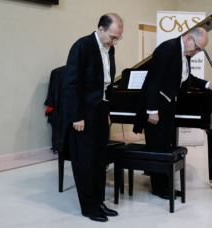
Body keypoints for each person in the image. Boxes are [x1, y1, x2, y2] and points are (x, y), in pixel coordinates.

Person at [133, 27, 212, 199]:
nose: (197, 52)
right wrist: (152, 110)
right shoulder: (167, 49)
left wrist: (208, 84)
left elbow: (187, 78)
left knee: (166, 145)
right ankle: (159, 189)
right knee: (157, 147)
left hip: (168, 107)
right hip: (157, 108)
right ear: (188, 38)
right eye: (197, 48)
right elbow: (153, 81)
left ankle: (166, 186)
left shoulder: (184, 54)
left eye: (200, 50)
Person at [61, 13, 123, 222]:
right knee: (85, 162)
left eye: (118, 38)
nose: (114, 41)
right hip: (83, 114)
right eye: (112, 36)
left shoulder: (109, 48)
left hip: (100, 111)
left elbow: (107, 84)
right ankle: (88, 207)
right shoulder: (82, 46)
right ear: (101, 28)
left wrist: (107, 112)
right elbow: (70, 84)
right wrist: (77, 116)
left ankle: (99, 202)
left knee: (99, 160)